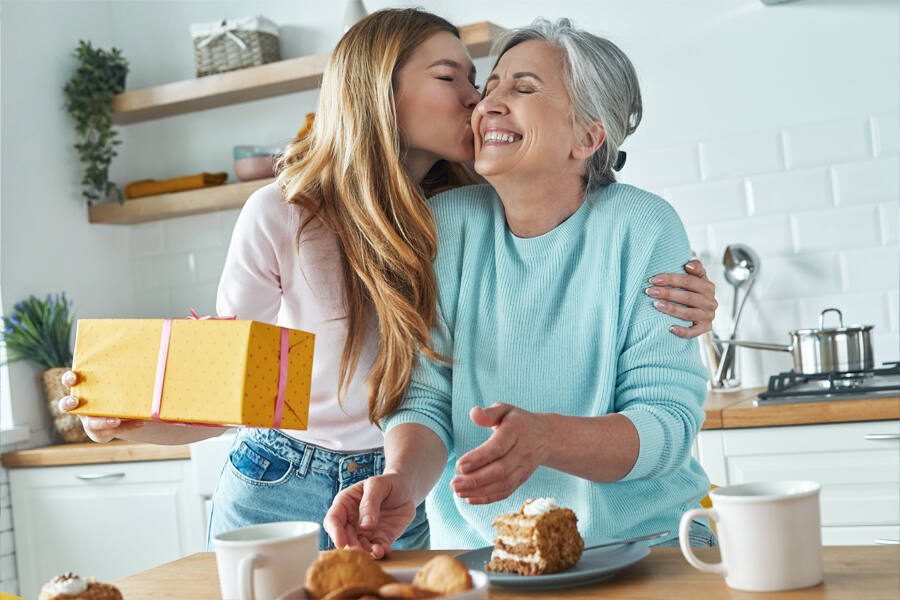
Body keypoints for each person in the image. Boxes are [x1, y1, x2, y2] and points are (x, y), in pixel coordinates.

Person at [58, 10, 716, 553]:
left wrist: (676, 299)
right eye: (454, 78)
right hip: (290, 473)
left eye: (484, 81)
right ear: (379, 90)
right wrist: (129, 419)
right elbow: (241, 390)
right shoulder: (300, 216)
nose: (476, 97)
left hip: (422, 491)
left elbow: (593, 264)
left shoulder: (468, 206)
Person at [324, 18, 717, 558]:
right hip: (488, 556)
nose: (488, 104)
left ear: (587, 137)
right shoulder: (446, 224)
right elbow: (424, 399)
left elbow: (667, 424)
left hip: (648, 549)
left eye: (524, 88)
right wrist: (403, 484)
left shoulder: (643, 226)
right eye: (492, 88)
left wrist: (548, 440)